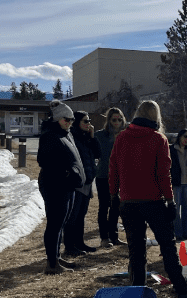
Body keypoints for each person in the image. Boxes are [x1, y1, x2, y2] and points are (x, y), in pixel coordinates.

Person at [108, 100, 187, 298]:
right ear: (156, 117)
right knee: (168, 248)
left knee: (136, 250)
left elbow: (113, 169)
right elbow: (164, 174)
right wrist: (170, 201)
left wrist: (113, 196)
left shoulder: (122, 138)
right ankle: (182, 290)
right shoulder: (157, 139)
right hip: (153, 201)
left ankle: (137, 295)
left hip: (128, 202)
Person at [36, 100, 85, 274]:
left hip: (67, 186)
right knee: (55, 224)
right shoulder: (50, 135)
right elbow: (44, 161)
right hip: (55, 186)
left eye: (72, 119)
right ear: (57, 119)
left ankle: (55, 256)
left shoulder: (65, 133)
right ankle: (51, 264)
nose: (70, 122)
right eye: (67, 119)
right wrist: (66, 173)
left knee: (61, 222)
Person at [63, 110, 101, 256]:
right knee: (73, 216)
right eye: (85, 121)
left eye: (89, 121)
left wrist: (92, 137)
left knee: (81, 215)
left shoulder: (86, 137)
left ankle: (79, 243)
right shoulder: (72, 137)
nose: (88, 124)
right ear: (77, 122)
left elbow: (98, 154)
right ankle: (69, 246)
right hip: (77, 182)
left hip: (87, 181)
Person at [95, 107, 126, 247]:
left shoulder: (125, 135)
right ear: (109, 120)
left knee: (116, 207)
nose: (117, 122)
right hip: (103, 175)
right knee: (104, 207)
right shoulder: (100, 135)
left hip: (121, 177)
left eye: (120, 119)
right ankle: (104, 238)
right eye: (114, 119)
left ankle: (114, 237)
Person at [170, 129, 187, 242]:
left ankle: (186, 232)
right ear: (179, 137)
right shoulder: (172, 149)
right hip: (176, 183)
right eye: (185, 136)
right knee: (176, 209)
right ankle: (178, 233)